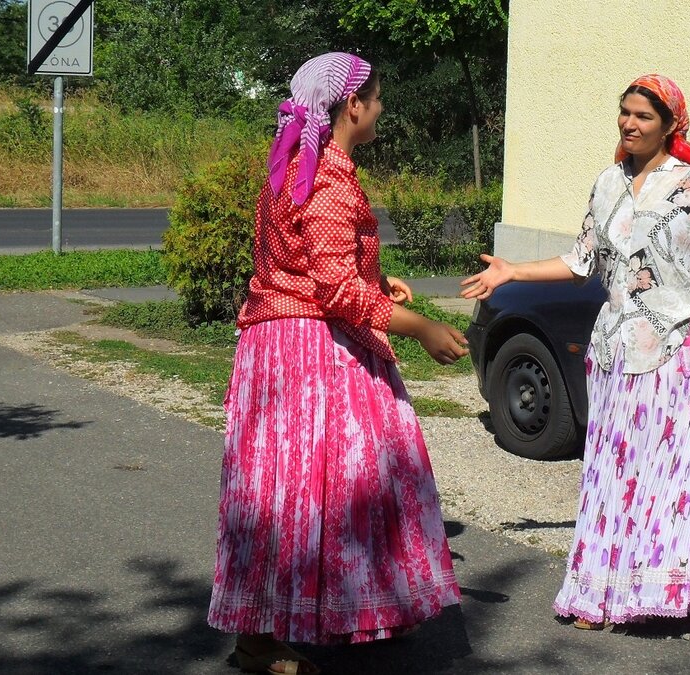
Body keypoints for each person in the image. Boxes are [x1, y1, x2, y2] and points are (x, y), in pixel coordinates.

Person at [462, 74, 690, 629]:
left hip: (682, 353)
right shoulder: (607, 184)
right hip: (616, 352)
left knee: (674, 474)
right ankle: (605, 588)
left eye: (642, 116)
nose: (630, 124)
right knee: (618, 473)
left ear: (669, 125)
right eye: (625, 113)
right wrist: (513, 270)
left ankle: (670, 586)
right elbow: (580, 262)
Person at [206, 52, 468, 674]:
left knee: (304, 491)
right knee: (332, 486)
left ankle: (364, 609)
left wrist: (382, 283)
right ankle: (265, 639)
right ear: (354, 106)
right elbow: (338, 293)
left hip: (281, 343)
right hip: (307, 351)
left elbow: (322, 263)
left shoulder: (301, 168)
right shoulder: (323, 176)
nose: (380, 108)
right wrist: (423, 326)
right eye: (376, 98)